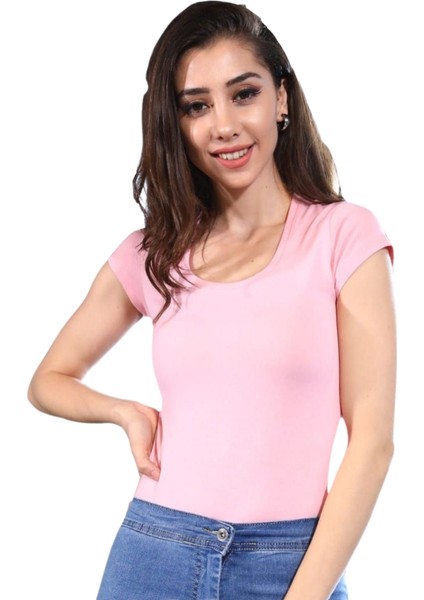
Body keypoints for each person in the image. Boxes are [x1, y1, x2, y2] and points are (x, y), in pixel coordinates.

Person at [28, 1, 396, 598]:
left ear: (281, 98)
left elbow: (373, 444)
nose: (223, 125)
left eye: (243, 94)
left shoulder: (343, 236)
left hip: (291, 561)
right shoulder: (154, 253)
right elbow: (49, 379)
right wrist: (124, 412)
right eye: (196, 106)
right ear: (175, 123)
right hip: (154, 552)